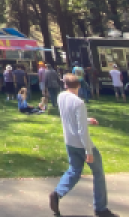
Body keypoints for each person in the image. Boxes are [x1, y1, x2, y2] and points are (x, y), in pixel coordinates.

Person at [48, 74, 119, 217]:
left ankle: (57, 193)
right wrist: (89, 151)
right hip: (82, 144)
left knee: (74, 170)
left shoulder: (61, 97)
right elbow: (82, 131)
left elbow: (71, 117)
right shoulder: (79, 102)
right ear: (79, 85)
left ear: (65, 85)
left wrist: (87, 119)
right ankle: (100, 208)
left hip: (69, 141)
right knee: (98, 173)